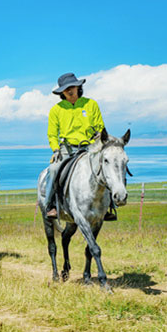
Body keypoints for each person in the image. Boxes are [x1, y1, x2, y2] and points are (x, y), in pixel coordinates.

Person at [45, 72, 115, 221]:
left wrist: (98, 135)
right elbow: (52, 134)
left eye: (72, 87)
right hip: (67, 149)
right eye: (66, 88)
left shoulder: (91, 104)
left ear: (78, 87)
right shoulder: (56, 110)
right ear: (61, 92)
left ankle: (109, 206)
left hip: (90, 148)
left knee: (106, 167)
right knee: (53, 169)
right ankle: (51, 206)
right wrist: (56, 149)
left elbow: (100, 127)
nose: (70, 90)